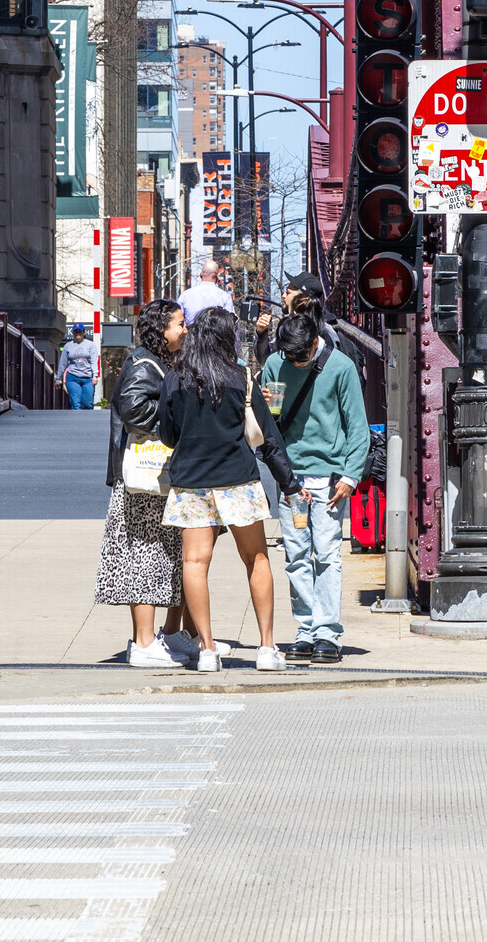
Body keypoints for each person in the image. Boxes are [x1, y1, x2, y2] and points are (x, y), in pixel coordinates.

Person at [157, 306, 292, 674]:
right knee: (257, 560)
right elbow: (268, 437)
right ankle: (266, 648)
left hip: (192, 483)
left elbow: (167, 434)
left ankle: (207, 650)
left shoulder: (174, 378)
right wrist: (289, 483)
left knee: (195, 564)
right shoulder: (241, 377)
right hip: (238, 481)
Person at [259, 312, 371, 665]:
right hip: (292, 478)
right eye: (289, 356)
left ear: (314, 343)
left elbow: (357, 426)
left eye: (300, 356)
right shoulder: (276, 363)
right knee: (295, 558)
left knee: (327, 555)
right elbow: (273, 424)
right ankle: (305, 630)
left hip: (330, 478)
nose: (294, 362)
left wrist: (350, 477)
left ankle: (327, 631)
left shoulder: (339, 367)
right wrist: (265, 406)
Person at [98, 298, 195, 668]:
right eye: (179, 324)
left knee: (166, 556)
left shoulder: (156, 362)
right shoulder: (143, 364)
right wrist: (177, 411)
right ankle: (143, 642)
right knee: (146, 556)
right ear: (161, 329)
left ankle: (165, 636)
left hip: (156, 479)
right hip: (144, 482)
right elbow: (135, 409)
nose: (183, 330)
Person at [176, 256, 235, 325]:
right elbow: (230, 324)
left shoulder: (185, 296)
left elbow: (177, 320)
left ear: (201, 274)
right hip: (216, 335)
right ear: (217, 277)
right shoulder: (224, 297)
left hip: (191, 334)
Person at [58, 324, 99, 409]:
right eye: (75, 331)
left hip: (88, 378)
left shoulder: (90, 345)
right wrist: (58, 378)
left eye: (79, 331)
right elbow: (63, 363)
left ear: (84, 332)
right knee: (76, 404)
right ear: (73, 333)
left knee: (88, 403)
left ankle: (87, 421)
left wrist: (95, 375)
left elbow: (94, 361)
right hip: (73, 377)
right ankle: (76, 422)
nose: (78, 333)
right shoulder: (68, 346)